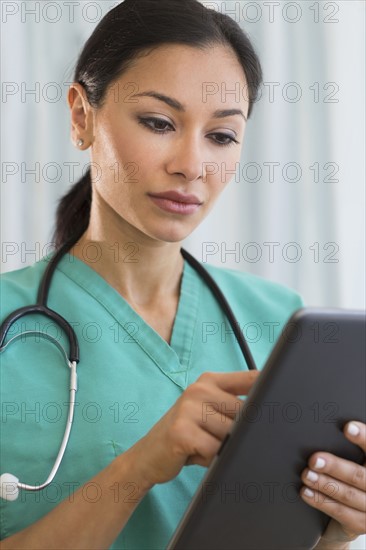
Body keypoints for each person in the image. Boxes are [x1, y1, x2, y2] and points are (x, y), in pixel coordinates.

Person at [0, 0, 365, 548]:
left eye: (221, 136)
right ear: (81, 115)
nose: (191, 165)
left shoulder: (280, 321)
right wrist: (142, 464)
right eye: (158, 122)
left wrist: (333, 530)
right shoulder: (10, 322)